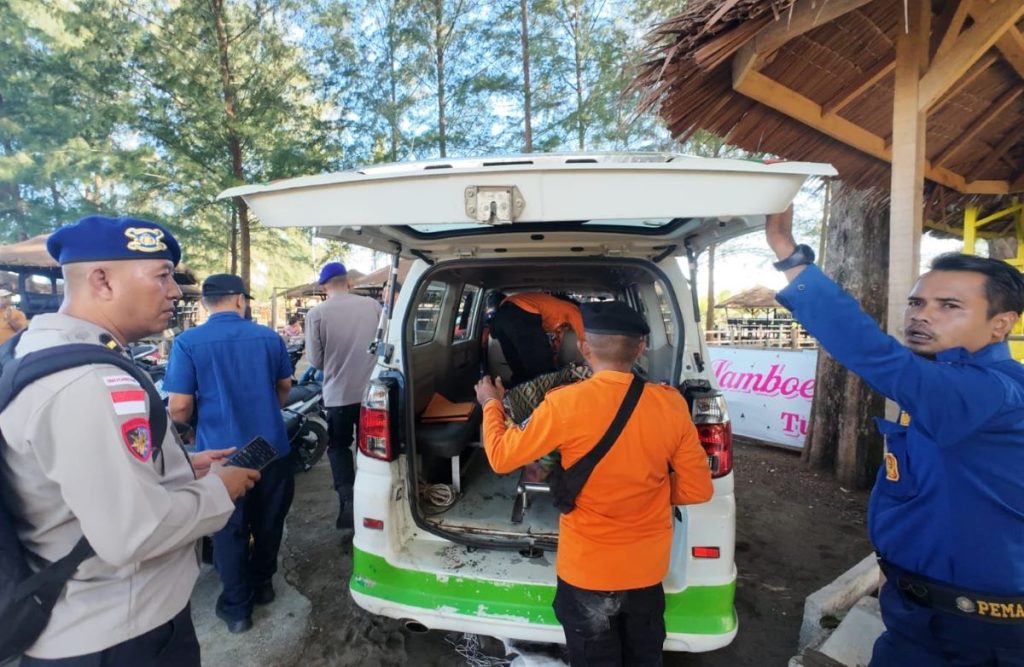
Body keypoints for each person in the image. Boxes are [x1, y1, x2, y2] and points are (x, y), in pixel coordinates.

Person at [764, 207, 1024, 666]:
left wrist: (788, 254)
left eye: (949, 306)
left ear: (1001, 323)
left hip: (975, 633)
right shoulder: (946, 379)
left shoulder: (991, 392)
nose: (922, 316)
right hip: (914, 616)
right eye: (916, 303)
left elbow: (877, 354)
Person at [0, 215, 259, 665]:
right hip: (117, 636)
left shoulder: (31, 353)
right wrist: (222, 487)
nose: (175, 291)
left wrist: (180, 466)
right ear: (101, 280)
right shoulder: (85, 382)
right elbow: (135, 532)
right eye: (162, 276)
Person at [474, 301, 713, 666]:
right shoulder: (672, 406)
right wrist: (647, 493)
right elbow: (698, 489)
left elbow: (501, 456)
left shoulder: (563, 404)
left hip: (586, 572)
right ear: (641, 348)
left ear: (585, 350)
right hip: (646, 571)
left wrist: (492, 403)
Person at [163, 274, 294, 634]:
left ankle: (237, 609)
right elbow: (284, 387)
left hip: (222, 456)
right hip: (271, 448)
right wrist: (267, 409)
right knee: (269, 522)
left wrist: (187, 431)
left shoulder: (187, 343)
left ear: (206, 303)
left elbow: (179, 407)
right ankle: (264, 585)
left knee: (228, 530)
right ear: (239, 300)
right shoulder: (269, 338)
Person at [304, 261, 382, 528]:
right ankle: (373, 497)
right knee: (371, 447)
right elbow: (383, 345)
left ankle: (347, 500)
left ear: (324, 286)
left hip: (338, 394)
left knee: (338, 446)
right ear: (348, 281)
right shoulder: (372, 306)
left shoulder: (317, 314)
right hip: (373, 394)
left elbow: (315, 360)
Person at [489, 292, 585, 386]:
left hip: (502, 314)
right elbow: (583, 338)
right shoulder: (575, 311)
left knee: (518, 366)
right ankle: (549, 394)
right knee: (543, 368)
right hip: (521, 312)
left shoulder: (553, 307)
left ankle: (519, 393)